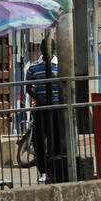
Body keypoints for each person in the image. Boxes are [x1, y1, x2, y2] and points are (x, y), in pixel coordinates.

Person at [26, 42, 68, 183]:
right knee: (38, 140)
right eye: (44, 48)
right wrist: (39, 99)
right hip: (41, 108)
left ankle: (54, 169)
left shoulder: (61, 65)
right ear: (41, 49)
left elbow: (65, 84)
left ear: (54, 49)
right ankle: (42, 170)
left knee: (56, 139)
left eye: (49, 48)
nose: (46, 51)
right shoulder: (33, 67)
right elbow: (28, 87)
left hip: (56, 107)